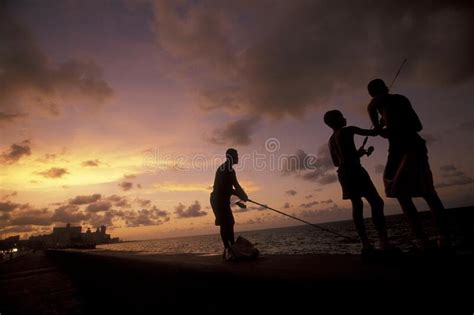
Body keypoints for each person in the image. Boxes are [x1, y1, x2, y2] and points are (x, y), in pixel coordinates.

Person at [367, 78, 450, 249]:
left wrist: (382, 125)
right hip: (415, 145)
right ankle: (443, 236)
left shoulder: (374, 104)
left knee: (399, 193)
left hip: (400, 149)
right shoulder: (402, 99)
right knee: (428, 193)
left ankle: (423, 240)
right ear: (385, 88)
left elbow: (380, 133)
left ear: (372, 94)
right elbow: (418, 126)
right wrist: (388, 122)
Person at [324, 110, 392, 253]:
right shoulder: (349, 130)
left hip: (343, 173)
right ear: (337, 120)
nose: (345, 118)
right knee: (377, 202)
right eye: (342, 116)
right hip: (355, 170)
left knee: (357, 206)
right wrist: (380, 124)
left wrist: (357, 153)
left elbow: (337, 162)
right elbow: (374, 133)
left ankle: (365, 244)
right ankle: (384, 242)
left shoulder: (330, 141)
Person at [210, 148, 248, 260]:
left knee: (229, 223)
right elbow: (226, 188)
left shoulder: (231, 170)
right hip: (217, 200)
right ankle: (228, 250)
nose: (238, 157)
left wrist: (242, 195)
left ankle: (231, 249)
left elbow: (235, 185)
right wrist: (241, 195)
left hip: (222, 200)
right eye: (236, 155)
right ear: (230, 157)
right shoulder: (224, 169)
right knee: (226, 223)